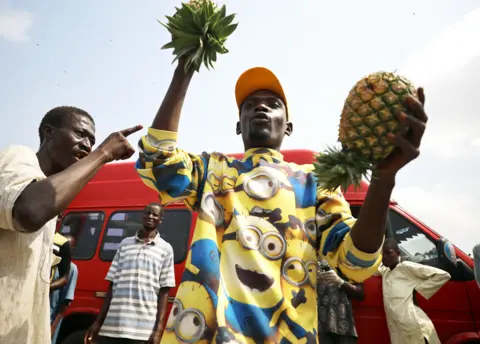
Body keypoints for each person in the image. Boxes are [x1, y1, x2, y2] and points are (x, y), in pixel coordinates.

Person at [135, 58, 428, 343]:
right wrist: (184, 71)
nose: (260, 106)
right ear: (239, 126)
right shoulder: (213, 171)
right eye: (249, 105)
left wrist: (383, 179)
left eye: (273, 104)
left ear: (288, 126)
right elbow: (157, 163)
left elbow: (356, 262)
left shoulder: (315, 181)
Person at [0, 105, 142, 344]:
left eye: (92, 140)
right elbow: (28, 212)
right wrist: (104, 153)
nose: (87, 145)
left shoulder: (49, 194)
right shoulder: (18, 156)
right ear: (48, 132)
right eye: (80, 134)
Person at [85, 202, 175, 344]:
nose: (150, 216)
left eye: (155, 214)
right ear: (142, 216)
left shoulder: (166, 249)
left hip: (142, 330)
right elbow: (112, 285)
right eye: (148, 212)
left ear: (160, 220)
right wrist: (98, 322)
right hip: (113, 325)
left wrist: (158, 330)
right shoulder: (125, 244)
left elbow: (164, 291)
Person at [379, 238, 451, 344]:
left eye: (388, 253)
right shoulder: (385, 272)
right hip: (399, 332)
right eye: (382, 254)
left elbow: (443, 275)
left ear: (398, 253)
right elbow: (370, 269)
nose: (384, 257)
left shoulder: (406, 267)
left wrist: (418, 289)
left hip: (414, 327)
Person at [317, 261, 364, 344]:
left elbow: (360, 294)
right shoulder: (312, 260)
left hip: (344, 327)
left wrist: (341, 282)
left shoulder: (349, 263)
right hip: (319, 328)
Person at [50, 235, 79, 344]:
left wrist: (53, 326)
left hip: (51, 318)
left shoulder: (72, 269)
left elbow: (65, 303)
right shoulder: (52, 263)